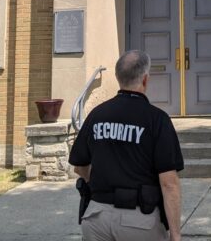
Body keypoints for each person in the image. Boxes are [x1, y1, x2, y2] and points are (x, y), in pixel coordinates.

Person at [69, 50, 184, 241]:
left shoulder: (96, 115)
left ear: (117, 77)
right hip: (139, 222)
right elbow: (169, 183)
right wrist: (176, 235)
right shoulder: (157, 120)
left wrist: (99, 185)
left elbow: (79, 166)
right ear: (145, 80)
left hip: (97, 218)